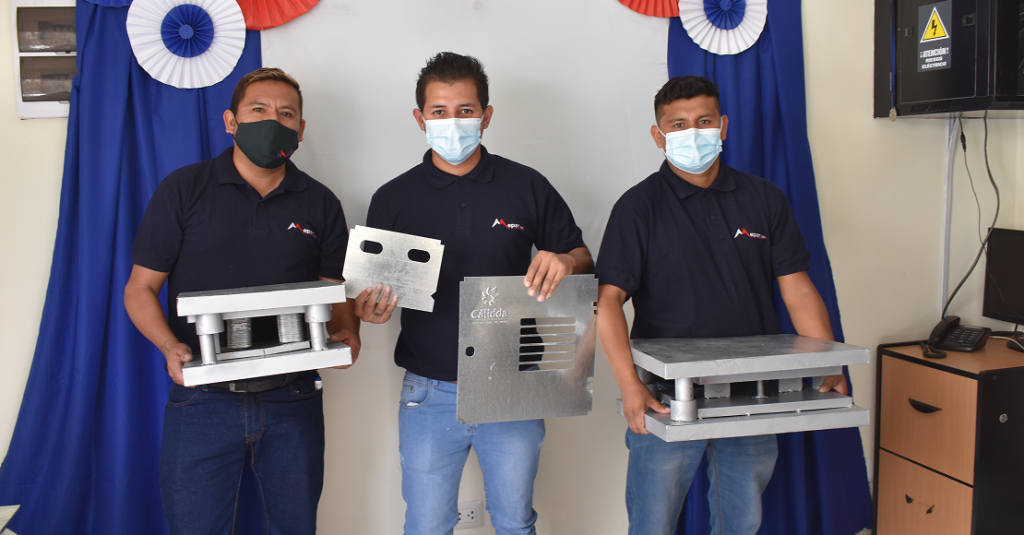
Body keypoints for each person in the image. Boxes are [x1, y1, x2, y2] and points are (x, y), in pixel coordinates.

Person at [594, 76, 848, 535]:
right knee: (653, 521)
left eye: (704, 120)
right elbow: (608, 300)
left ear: (723, 126)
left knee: (742, 519)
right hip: (664, 394)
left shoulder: (764, 199)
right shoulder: (638, 207)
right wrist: (630, 385)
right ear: (658, 135)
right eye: (678, 124)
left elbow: (797, 289)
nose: (693, 132)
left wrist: (828, 361)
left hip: (752, 389)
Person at [353, 52, 592, 535]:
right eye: (439, 111)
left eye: (465, 110)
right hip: (428, 390)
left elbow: (582, 258)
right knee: (426, 526)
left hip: (514, 383)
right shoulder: (393, 198)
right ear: (420, 118)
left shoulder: (527, 185)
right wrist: (368, 310)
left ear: (486, 114)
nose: (453, 121)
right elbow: (370, 294)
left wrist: (567, 262)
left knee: (515, 522)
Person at [124, 67, 360, 535]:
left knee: (295, 528)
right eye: (259, 109)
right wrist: (170, 347)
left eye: (286, 114)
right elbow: (140, 289)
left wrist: (350, 333)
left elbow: (335, 295)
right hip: (203, 399)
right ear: (231, 121)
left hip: (292, 397)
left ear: (300, 129)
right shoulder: (184, 189)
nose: (273, 120)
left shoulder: (320, 203)